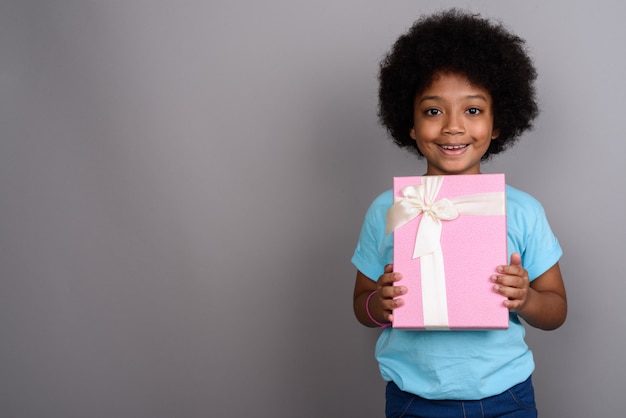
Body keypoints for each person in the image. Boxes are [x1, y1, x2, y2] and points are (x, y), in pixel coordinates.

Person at [351, 9, 567, 418]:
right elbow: (361, 304)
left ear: (498, 122)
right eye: (433, 111)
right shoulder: (390, 208)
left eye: (472, 110)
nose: (453, 127)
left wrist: (525, 298)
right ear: (409, 124)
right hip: (412, 399)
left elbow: (556, 310)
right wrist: (380, 304)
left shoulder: (522, 210)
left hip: (507, 396)